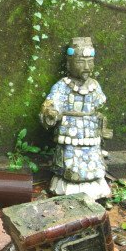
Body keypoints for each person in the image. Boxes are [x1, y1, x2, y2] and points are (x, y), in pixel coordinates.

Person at [40, 37, 112, 200]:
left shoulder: (94, 85)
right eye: (80, 62)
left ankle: (94, 186)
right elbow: (51, 104)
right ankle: (70, 186)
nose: (86, 67)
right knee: (71, 158)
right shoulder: (63, 86)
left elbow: (99, 105)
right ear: (69, 63)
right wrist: (51, 112)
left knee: (93, 157)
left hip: (90, 131)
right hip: (70, 132)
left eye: (90, 62)